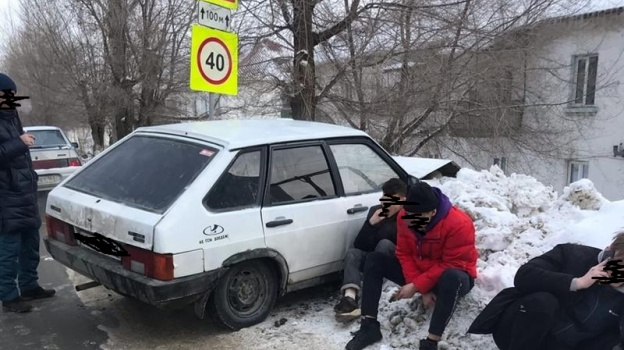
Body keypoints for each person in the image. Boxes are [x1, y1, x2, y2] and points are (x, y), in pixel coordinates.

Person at [346, 181, 478, 350]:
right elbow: (404, 253)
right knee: (374, 259)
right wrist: (420, 286)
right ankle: (369, 326)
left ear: (433, 212)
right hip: (420, 273)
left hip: (455, 277)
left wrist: (417, 285)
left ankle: (431, 342)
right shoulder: (405, 217)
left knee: (452, 277)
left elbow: (452, 263)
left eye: (419, 217)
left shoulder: (459, 223)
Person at [468, 231, 624, 350]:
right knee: (543, 302)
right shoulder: (573, 254)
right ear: (608, 253)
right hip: (519, 329)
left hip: (565, 345)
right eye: (618, 264)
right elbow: (524, 275)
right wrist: (577, 283)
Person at [0, 73, 55, 313]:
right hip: (6, 195)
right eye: (6, 94)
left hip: (25, 191)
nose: (11, 98)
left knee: (31, 243)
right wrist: (20, 143)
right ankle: (9, 297)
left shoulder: (11, 116)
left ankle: (30, 286)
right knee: (8, 249)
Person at [334, 178, 407, 322]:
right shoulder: (375, 211)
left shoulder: (407, 217)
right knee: (353, 253)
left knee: (385, 244)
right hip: (372, 260)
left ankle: (371, 292)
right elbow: (360, 245)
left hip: (393, 265)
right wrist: (371, 224)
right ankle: (349, 298)